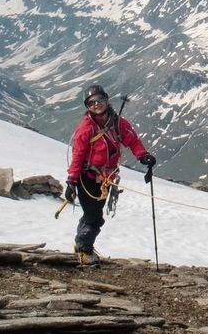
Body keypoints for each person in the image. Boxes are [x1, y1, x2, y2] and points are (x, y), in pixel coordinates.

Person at [64, 84, 155, 266]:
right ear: (87, 107)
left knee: (92, 214)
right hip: (87, 178)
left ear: (106, 100)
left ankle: (81, 245)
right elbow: (78, 156)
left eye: (99, 100)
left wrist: (143, 155)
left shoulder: (118, 123)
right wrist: (71, 181)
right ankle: (84, 249)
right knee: (94, 216)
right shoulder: (86, 128)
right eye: (91, 103)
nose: (96, 104)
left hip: (106, 180)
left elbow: (132, 140)